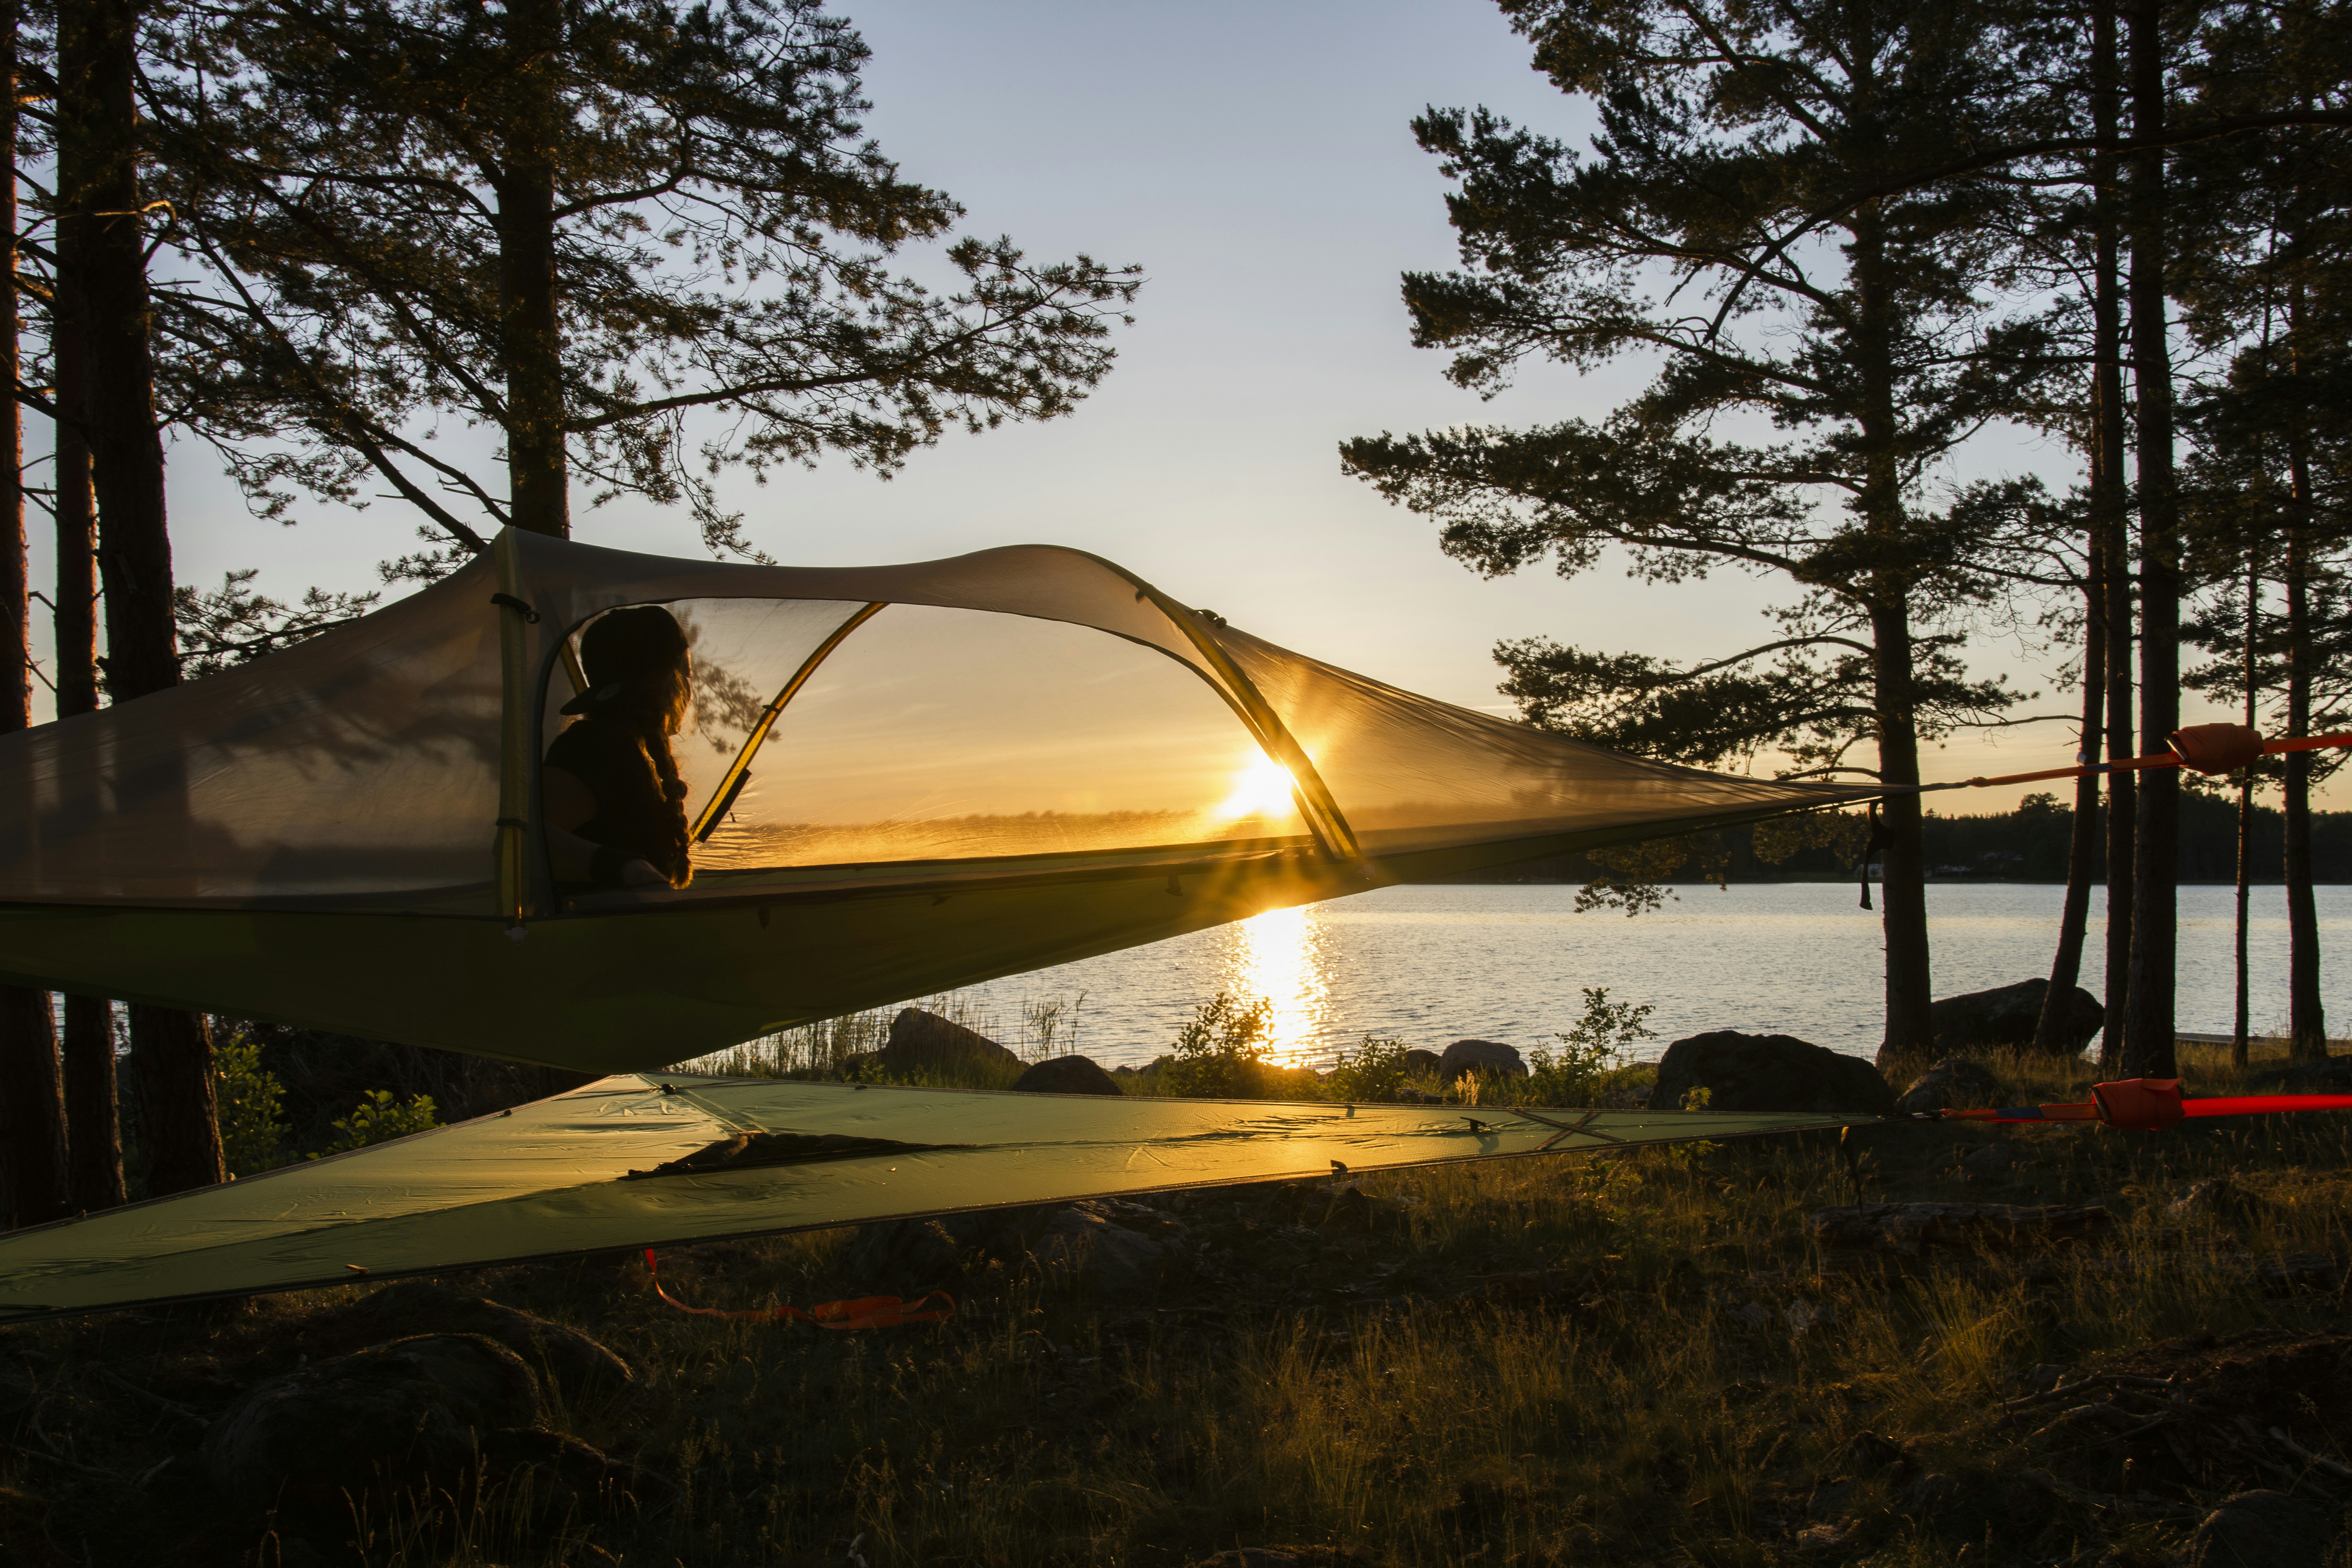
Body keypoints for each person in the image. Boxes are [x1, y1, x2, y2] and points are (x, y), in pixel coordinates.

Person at [543, 605, 696, 889]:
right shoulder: (593, 747)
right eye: (684, 673)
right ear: (664, 682)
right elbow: (522, 843)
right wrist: (628, 868)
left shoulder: (627, 749)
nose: (689, 689)